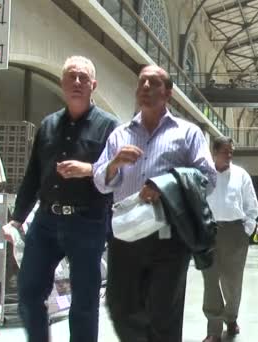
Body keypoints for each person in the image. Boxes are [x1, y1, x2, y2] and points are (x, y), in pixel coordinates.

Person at [92, 65, 217, 342]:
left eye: (154, 82)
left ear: (168, 93)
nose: (146, 87)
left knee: (164, 314)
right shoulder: (119, 135)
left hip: (169, 237)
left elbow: (207, 178)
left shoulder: (188, 133)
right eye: (142, 83)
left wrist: (166, 186)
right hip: (125, 236)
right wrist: (114, 164)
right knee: (120, 307)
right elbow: (100, 181)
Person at [5, 56, 119, 342]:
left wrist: (90, 170)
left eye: (83, 77)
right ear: (62, 83)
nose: (77, 82)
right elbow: (33, 176)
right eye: (71, 76)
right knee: (29, 293)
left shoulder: (110, 127)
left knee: (84, 303)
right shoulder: (48, 125)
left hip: (87, 222)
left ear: (94, 85)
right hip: (45, 222)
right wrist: (17, 220)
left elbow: (119, 177)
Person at [202, 136, 258, 342]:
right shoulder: (204, 173)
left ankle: (231, 318)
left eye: (231, 151)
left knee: (232, 282)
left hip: (235, 233)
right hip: (208, 232)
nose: (230, 155)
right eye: (226, 151)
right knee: (210, 280)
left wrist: (246, 231)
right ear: (214, 152)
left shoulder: (241, 175)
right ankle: (213, 329)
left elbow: (252, 206)